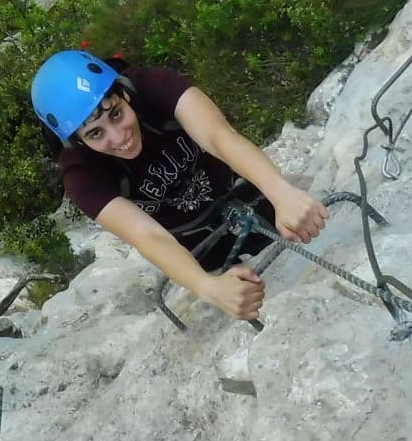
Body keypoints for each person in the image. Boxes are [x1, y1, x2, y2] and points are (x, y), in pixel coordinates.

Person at [31, 49, 328, 322]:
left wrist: (281, 193)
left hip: (244, 194)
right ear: (78, 141)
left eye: (116, 114)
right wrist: (208, 287)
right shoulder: (82, 175)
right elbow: (145, 235)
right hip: (196, 245)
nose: (119, 137)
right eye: (96, 134)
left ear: (124, 94)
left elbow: (218, 137)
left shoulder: (154, 86)